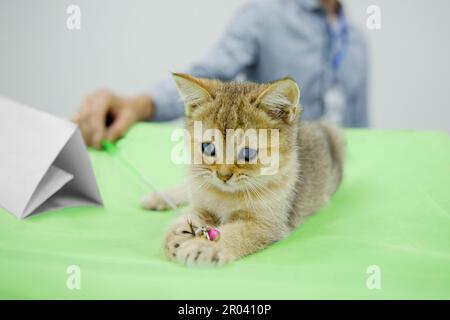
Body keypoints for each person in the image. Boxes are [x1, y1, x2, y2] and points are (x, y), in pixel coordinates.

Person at [74, 0, 368, 148]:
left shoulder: (357, 40)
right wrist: (138, 105)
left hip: (338, 178)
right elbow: (207, 76)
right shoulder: (264, 14)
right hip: (273, 172)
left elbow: (361, 122)